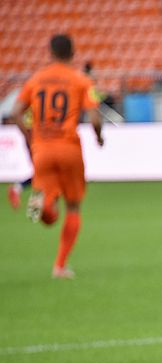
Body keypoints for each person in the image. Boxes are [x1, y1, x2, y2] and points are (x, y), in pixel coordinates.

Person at [11, 33, 103, 279]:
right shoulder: (81, 80)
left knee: (40, 204)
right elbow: (95, 118)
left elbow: (16, 112)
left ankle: (41, 205)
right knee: (73, 206)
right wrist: (99, 137)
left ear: (50, 53)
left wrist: (30, 138)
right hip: (69, 148)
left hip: (42, 149)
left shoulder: (35, 79)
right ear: (73, 53)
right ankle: (60, 266)